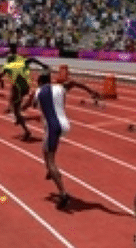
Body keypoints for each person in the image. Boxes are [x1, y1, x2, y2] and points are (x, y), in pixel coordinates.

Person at [30, 71, 100, 209]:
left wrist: (27, 100)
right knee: (45, 149)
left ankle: (63, 193)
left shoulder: (38, 92)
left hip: (52, 127)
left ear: (39, 82)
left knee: (51, 160)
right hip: (65, 125)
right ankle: (50, 170)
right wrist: (91, 91)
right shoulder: (59, 87)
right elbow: (74, 82)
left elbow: (31, 105)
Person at [1, 46, 49, 141]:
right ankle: (20, 113)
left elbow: (1, 75)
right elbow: (32, 59)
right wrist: (42, 65)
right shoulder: (20, 63)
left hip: (19, 88)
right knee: (16, 107)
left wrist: (0, 79)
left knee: (16, 109)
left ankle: (26, 129)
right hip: (24, 87)